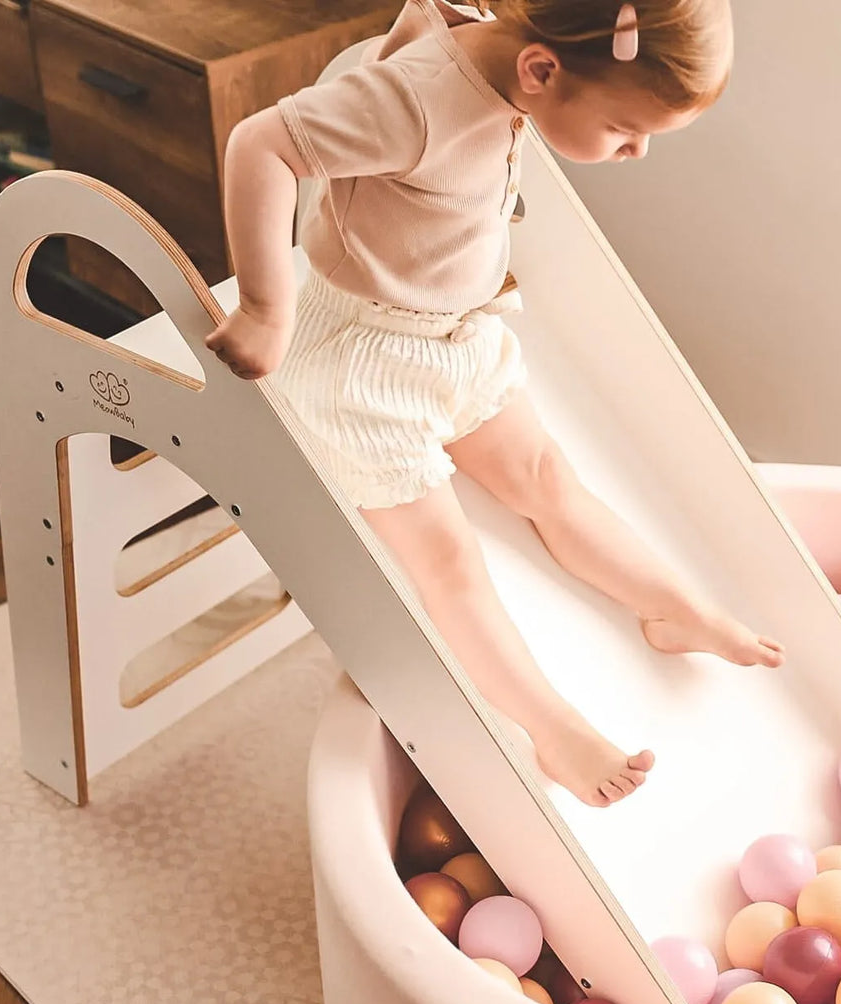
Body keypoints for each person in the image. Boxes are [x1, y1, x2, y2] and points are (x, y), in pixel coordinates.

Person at [205, 0, 784, 808]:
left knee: (548, 477)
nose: (635, 152)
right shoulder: (418, 101)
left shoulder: (505, 46)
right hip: (363, 367)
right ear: (541, 72)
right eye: (625, 130)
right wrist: (268, 308)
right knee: (448, 561)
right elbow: (261, 144)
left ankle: (673, 609)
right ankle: (553, 728)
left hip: (459, 337)